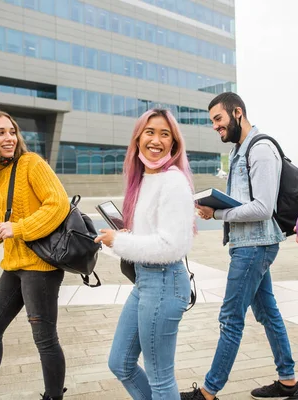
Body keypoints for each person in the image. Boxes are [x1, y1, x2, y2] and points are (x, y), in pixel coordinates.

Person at [182, 93, 298, 400]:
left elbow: (263, 207)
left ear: (238, 113)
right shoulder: (241, 149)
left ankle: (209, 393)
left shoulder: (260, 150)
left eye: (219, 119)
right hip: (248, 244)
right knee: (268, 314)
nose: (215, 127)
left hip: (255, 246)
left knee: (230, 318)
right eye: (212, 121)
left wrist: (217, 212)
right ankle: (289, 383)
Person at [0, 110, 70, 400]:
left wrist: (20, 227)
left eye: (11, 131)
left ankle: (53, 397)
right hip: (14, 265)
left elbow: (58, 205)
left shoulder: (31, 164)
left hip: (41, 265)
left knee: (44, 338)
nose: (9, 138)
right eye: (0, 132)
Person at [95, 109, 195, 400]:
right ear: (138, 138)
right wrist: (124, 236)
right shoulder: (143, 180)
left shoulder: (173, 181)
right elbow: (153, 235)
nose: (157, 140)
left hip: (164, 282)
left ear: (174, 145)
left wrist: (120, 243)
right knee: (120, 363)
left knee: (161, 378)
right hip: (146, 282)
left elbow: (171, 246)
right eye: (150, 132)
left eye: (166, 134)